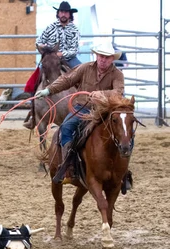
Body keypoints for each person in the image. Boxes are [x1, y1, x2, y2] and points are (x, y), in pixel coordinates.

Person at [35, 42, 124, 184]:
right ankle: (68, 165)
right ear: (97, 56)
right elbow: (67, 80)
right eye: (101, 56)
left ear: (112, 59)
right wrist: (49, 90)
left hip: (105, 110)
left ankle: (123, 170)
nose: (103, 59)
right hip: (83, 107)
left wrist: (102, 94)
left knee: (124, 132)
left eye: (107, 57)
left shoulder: (117, 74)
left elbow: (118, 92)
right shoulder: (85, 68)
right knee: (66, 127)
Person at [23, 2, 81, 129]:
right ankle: (33, 114)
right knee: (34, 82)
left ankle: (85, 108)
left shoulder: (74, 29)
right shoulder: (51, 27)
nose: (63, 14)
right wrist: (44, 48)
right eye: (61, 12)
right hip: (50, 59)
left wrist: (61, 54)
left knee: (84, 75)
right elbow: (39, 42)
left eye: (66, 12)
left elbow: (74, 49)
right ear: (58, 13)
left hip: (68, 59)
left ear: (70, 14)